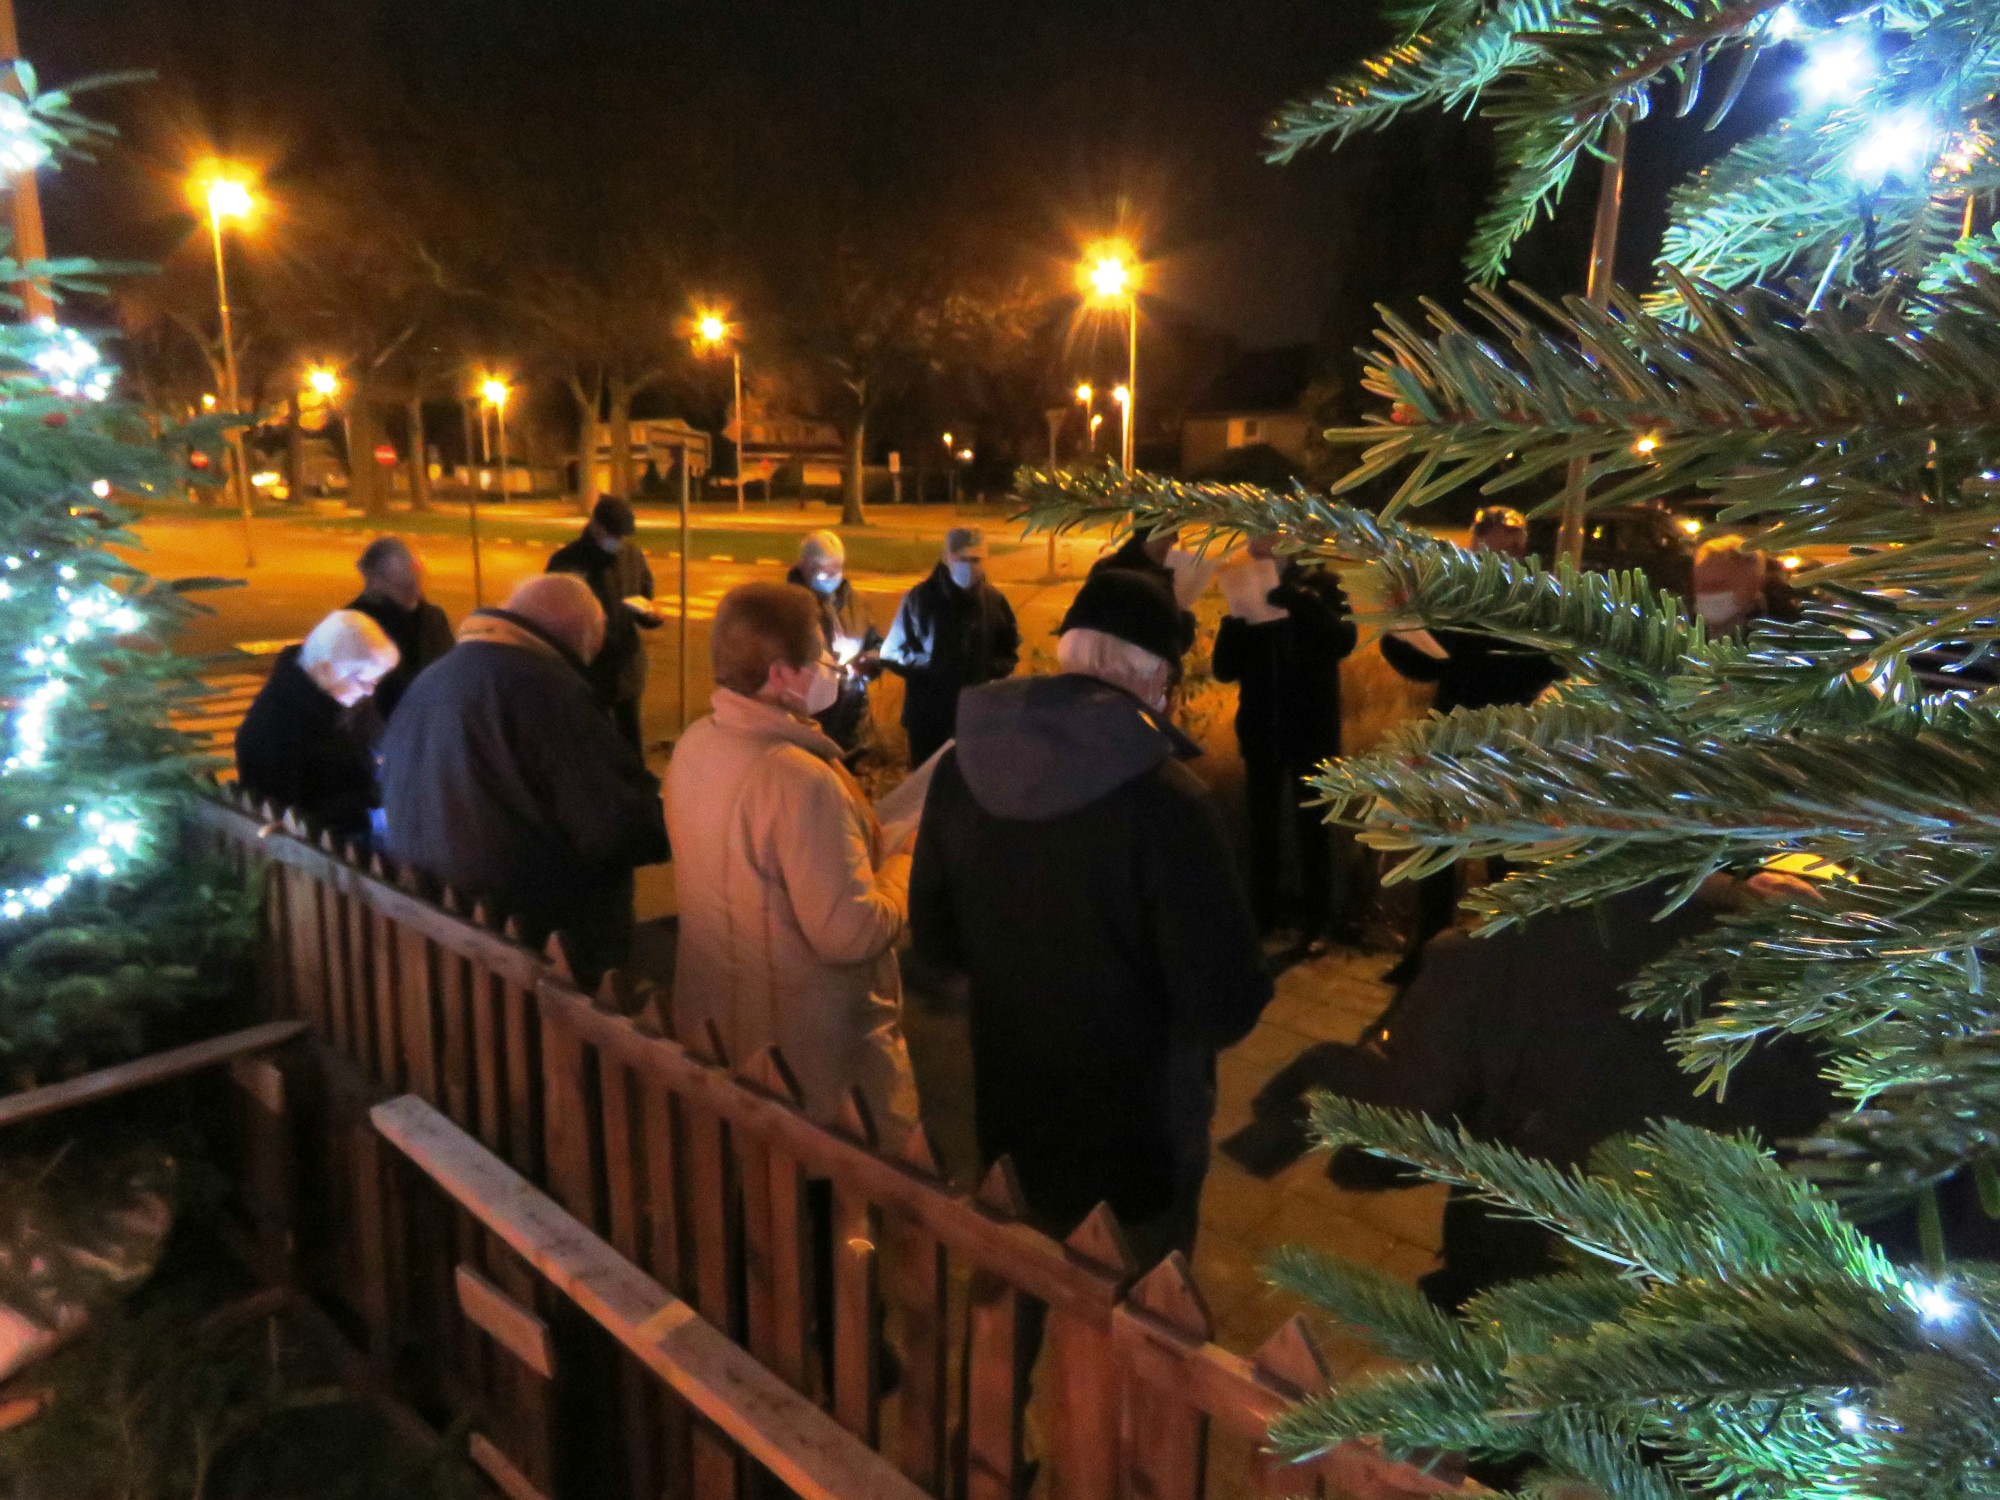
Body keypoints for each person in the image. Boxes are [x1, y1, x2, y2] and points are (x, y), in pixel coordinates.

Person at [910, 569, 1272, 1266]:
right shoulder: (1170, 803)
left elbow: (936, 939)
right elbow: (1225, 1004)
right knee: (1137, 1329)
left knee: (1012, 1305)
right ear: (1152, 678)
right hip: (1139, 1138)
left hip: (1012, 1108)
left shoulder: (963, 770)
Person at [1316, 884, 1832, 1309]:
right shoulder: (1827, 967)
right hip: (1740, 1338)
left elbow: (1387, 1148)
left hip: (1520, 1306)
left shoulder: (1489, 953)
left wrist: (1342, 1087)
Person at [667, 581, 916, 1131]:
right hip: (805, 1056)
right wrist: (903, 865)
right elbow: (848, 931)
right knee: (825, 1202)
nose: (832, 669)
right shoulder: (798, 779)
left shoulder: (695, 745)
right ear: (780, 675)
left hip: (720, 1024)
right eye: (822, 658)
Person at [376, 573, 668, 986]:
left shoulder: (434, 678)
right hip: (540, 941)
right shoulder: (545, 689)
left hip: (445, 920)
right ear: (582, 635)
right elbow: (611, 825)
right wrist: (672, 818)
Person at [1378, 506, 1561, 979]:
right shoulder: (1457, 593)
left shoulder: (1537, 599)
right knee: (1437, 845)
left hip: (1507, 741)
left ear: (1520, 548)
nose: (1493, 548)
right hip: (1451, 737)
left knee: (1505, 852)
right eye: (1486, 539)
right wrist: (1397, 632)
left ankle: (1505, 961)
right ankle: (1428, 953)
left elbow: (1550, 668)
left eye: (1506, 541)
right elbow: (1427, 663)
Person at [1212, 534, 1359, 945]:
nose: (1260, 545)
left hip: (1310, 728)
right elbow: (1224, 670)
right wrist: (1233, 627)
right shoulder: (1243, 584)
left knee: (1313, 826)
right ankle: (1262, 916)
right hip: (1261, 725)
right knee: (1263, 827)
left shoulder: (1323, 585)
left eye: (1270, 535)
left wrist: (1302, 603)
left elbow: (1344, 641)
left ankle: (1318, 921)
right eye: (1254, 536)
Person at [235, 609, 399, 842]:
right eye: (363, 680)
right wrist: (371, 815)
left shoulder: (339, 697)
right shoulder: (275, 729)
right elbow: (288, 819)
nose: (369, 691)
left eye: (375, 681)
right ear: (326, 669)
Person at [881, 526, 1020, 767]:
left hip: (976, 717)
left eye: (975, 559)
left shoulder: (994, 602)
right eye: (961, 559)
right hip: (928, 719)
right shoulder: (919, 599)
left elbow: (1008, 650)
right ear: (946, 558)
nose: (969, 566)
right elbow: (891, 653)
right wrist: (931, 663)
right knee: (927, 789)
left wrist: (986, 670)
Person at [547, 495, 663, 752]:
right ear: (596, 527)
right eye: (615, 535)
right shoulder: (566, 562)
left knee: (631, 744)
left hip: (626, 669)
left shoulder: (632, 557)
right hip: (587, 673)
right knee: (593, 746)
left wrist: (650, 616)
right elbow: (553, 620)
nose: (620, 542)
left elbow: (642, 600)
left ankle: (634, 790)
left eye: (624, 536)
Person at [785, 530, 881, 759]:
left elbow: (876, 644)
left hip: (852, 723)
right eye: (823, 569)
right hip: (809, 724)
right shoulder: (788, 607)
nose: (832, 575)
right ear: (805, 567)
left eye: (836, 568)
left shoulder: (855, 603)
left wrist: (871, 660)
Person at [346, 535, 454, 717]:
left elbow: (451, 675)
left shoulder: (433, 619)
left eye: (416, 580)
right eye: (403, 585)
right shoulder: (353, 626)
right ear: (374, 580)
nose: (414, 590)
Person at [1090, 523, 1197, 649]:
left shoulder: (1165, 575)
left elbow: (1177, 645)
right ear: (1146, 533)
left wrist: (1182, 614)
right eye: (1165, 530)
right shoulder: (1109, 571)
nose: (1174, 540)